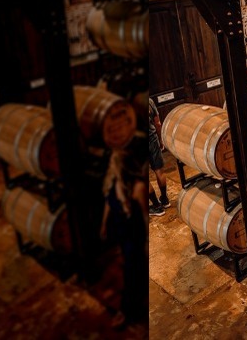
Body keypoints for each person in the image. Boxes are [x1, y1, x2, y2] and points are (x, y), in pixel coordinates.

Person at [99, 146, 149, 329]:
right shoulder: (114, 183)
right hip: (122, 231)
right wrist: (104, 224)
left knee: (132, 272)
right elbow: (108, 202)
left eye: (113, 164)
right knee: (131, 269)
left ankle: (127, 311)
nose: (110, 168)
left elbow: (144, 217)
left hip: (134, 235)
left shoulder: (138, 187)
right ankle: (133, 304)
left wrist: (146, 243)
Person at [148, 97, 169, 216]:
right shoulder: (149, 101)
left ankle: (156, 206)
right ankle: (165, 200)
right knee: (159, 171)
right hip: (152, 138)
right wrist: (160, 140)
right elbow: (158, 123)